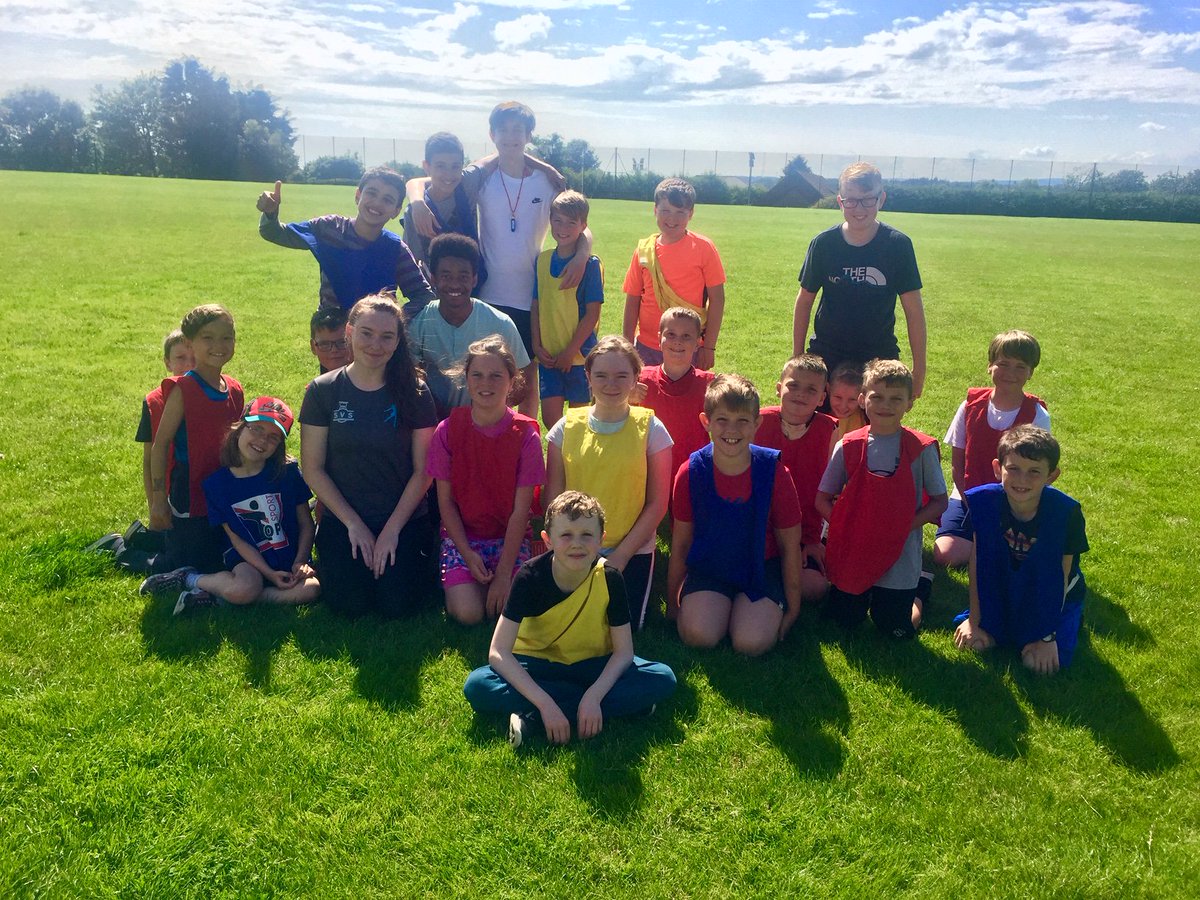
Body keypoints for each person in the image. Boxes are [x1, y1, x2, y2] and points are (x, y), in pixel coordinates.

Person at [406, 102, 591, 418]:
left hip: (532, 297)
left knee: (528, 379)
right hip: (487, 295)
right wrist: (416, 200)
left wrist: (583, 253)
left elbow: (575, 224)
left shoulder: (547, 182)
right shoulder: (482, 178)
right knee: (487, 375)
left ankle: (524, 443)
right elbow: (430, 179)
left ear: (529, 134)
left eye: (518, 130)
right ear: (491, 134)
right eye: (503, 130)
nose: (510, 136)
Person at [462, 491, 677, 747]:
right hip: (539, 663)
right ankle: (616, 707)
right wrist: (545, 703)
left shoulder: (610, 577)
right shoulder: (529, 577)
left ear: (601, 539)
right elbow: (498, 653)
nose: (577, 544)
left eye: (587, 535)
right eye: (566, 535)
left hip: (593, 664)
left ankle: (534, 719)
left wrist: (594, 697)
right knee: (477, 686)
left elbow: (623, 653)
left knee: (663, 677)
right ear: (548, 539)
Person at [299, 294, 438, 617]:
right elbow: (313, 469)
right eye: (367, 333)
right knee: (351, 606)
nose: (376, 344)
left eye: (387, 336)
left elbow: (423, 471)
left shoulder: (415, 391)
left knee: (397, 606)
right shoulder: (323, 390)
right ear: (349, 331)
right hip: (345, 520)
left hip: (403, 519)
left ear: (398, 340)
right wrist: (354, 524)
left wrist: (392, 530)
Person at [141, 397, 320, 614]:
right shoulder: (217, 485)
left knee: (311, 589)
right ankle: (189, 578)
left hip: (290, 558)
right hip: (247, 560)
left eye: (273, 437)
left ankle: (224, 599)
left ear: (279, 445)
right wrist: (268, 573)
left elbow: (306, 523)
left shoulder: (288, 473)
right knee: (245, 587)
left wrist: (300, 561)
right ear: (239, 428)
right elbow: (237, 540)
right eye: (256, 429)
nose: (262, 440)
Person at [669, 375, 804, 655]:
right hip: (711, 566)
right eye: (722, 420)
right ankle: (714, 606)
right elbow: (681, 542)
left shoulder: (774, 472)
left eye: (743, 420)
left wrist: (793, 605)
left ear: (757, 424)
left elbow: (789, 545)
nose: (732, 429)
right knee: (699, 635)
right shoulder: (691, 472)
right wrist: (672, 601)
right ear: (706, 421)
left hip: (760, 568)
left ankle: (753, 610)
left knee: (751, 643)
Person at [545, 337, 673, 629]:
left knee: (616, 629)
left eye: (621, 376)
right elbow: (552, 501)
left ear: (635, 379)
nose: (611, 384)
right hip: (574, 547)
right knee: (571, 628)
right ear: (587, 377)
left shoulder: (652, 429)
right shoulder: (565, 428)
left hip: (630, 549)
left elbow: (657, 504)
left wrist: (621, 556)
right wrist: (570, 549)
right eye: (601, 375)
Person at [816, 359, 947, 638]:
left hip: (900, 555)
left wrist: (904, 527)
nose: (885, 405)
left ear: (909, 403)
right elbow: (822, 498)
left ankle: (919, 590)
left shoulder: (921, 449)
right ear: (863, 400)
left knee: (895, 630)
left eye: (895, 398)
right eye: (877, 397)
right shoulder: (848, 445)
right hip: (855, 552)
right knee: (845, 621)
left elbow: (939, 501)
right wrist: (845, 525)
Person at [428, 337, 544, 626]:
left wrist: (504, 574)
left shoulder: (526, 434)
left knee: (515, 613)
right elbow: (445, 502)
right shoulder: (448, 430)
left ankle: (492, 582)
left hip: (510, 539)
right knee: (470, 615)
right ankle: (466, 582)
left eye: (496, 376)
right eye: (477, 375)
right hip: (463, 538)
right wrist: (467, 554)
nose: (486, 383)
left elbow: (522, 512)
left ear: (512, 381)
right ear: (466, 379)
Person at [953, 426, 1087, 674]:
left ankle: (1057, 626)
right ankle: (1003, 626)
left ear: (1051, 476)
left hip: (1050, 588)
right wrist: (974, 619)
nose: (1022, 480)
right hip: (1004, 582)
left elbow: (1061, 574)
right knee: (976, 643)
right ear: (997, 468)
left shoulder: (1066, 513)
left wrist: (1047, 636)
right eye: (1013, 468)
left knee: (1038, 662)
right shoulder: (983, 503)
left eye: (1034, 472)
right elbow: (978, 560)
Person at [792, 162, 927, 399]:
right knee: (825, 427)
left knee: (875, 428)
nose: (859, 208)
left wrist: (919, 370)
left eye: (868, 199)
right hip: (828, 353)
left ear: (881, 199)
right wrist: (798, 358)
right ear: (840, 201)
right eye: (851, 200)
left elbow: (913, 310)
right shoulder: (824, 244)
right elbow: (804, 301)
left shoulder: (898, 245)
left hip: (878, 356)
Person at [934, 330, 1050, 567]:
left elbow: (1038, 471)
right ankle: (987, 543)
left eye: (1020, 366)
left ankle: (993, 542)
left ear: (1031, 372)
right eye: (1003, 364)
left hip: (1015, 499)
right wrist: (972, 502)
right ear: (990, 366)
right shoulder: (970, 405)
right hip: (969, 495)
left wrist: (1009, 508)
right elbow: (958, 463)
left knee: (1021, 553)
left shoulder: (1037, 414)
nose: (1010, 373)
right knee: (945, 555)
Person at [256, 167, 434, 316]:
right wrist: (270, 213)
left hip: (373, 340)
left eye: (387, 200)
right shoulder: (329, 228)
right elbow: (275, 233)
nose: (377, 203)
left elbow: (424, 296)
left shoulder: (395, 249)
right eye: (371, 193)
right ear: (358, 195)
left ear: (396, 211)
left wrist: (392, 318)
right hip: (332, 337)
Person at [149, 305, 244, 575]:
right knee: (185, 564)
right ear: (190, 343)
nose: (219, 345)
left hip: (223, 485)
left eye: (227, 337)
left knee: (216, 557)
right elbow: (161, 444)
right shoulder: (184, 389)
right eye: (208, 338)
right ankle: (124, 548)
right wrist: (158, 498)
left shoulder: (234, 388)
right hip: (190, 488)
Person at [406, 233, 532, 420]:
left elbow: (527, 379)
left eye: (463, 276)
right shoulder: (420, 323)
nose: (455, 284)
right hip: (433, 423)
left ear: (474, 279)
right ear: (432, 278)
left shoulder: (500, 323)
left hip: (486, 423)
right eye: (446, 276)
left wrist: (521, 427)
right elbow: (410, 380)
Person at [754, 355, 837, 603]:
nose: (801, 394)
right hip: (760, 524)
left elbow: (828, 492)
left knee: (813, 587)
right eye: (793, 385)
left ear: (822, 397)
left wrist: (813, 540)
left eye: (811, 389)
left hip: (804, 531)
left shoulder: (830, 430)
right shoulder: (758, 420)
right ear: (779, 388)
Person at [623, 178, 726, 369]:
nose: (672, 218)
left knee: (687, 397)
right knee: (646, 398)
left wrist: (709, 347)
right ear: (655, 210)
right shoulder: (644, 250)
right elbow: (633, 299)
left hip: (688, 346)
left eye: (680, 212)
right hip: (647, 346)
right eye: (665, 211)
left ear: (691, 214)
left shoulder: (704, 248)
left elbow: (717, 299)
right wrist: (627, 346)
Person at [531, 190, 603, 428]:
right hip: (549, 358)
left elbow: (592, 314)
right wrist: (536, 345)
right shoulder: (542, 261)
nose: (562, 227)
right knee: (553, 427)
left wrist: (570, 352)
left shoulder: (590, 265)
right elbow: (536, 305)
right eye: (557, 220)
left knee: (579, 426)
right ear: (550, 220)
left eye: (571, 222)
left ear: (583, 226)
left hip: (580, 358)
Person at [633, 307, 714, 490]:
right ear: (659, 339)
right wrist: (625, 399)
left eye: (686, 336)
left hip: (693, 475)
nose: (678, 341)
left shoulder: (709, 384)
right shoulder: (639, 380)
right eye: (671, 334)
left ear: (697, 343)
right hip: (647, 476)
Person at [402, 132, 483, 280]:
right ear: (427, 166)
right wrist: (418, 202)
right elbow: (414, 265)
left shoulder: (467, 183)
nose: (448, 174)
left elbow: (504, 151)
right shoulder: (415, 212)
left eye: (455, 166)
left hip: (474, 289)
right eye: (440, 166)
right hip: (438, 295)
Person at [827, 361, 867, 457]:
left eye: (852, 400)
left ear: (862, 398)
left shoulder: (865, 421)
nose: (843, 406)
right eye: (838, 397)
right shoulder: (820, 418)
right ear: (828, 389)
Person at [310, 307, 352, 374]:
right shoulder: (318, 384)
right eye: (324, 344)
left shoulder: (369, 382)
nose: (334, 350)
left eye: (342, 342)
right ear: (313, 347)